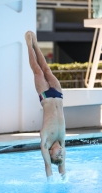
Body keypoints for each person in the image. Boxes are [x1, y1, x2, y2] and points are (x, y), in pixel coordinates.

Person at [25, 31, 66, 181]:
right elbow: (62, 166)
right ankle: (36, 44)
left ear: (50, 153)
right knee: (47, 69)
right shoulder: (61, 141)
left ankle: (29, 45)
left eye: (58, 154)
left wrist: (51, 181)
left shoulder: (46, 140)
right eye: (62, 154)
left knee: (37, 69)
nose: (61, 152)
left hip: (46, 97)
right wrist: (63, 175)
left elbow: (49, 167)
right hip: (58, 94)